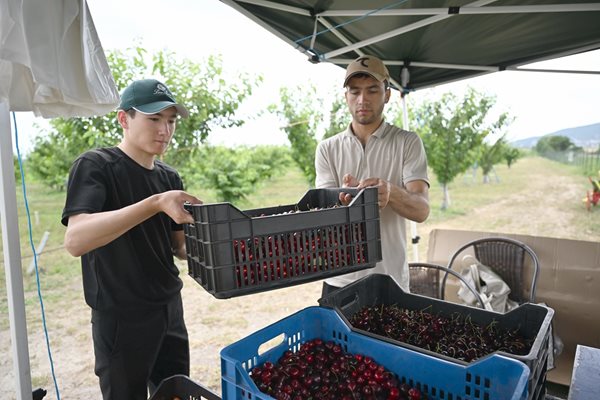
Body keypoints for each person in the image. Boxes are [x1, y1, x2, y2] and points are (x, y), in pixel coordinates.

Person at [61, 79, 203, 400]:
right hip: (122, 317)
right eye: (154, 119)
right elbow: (76, 240)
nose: (165, 130)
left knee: (175, 392)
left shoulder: (169, 178)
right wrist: (154, 204)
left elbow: (178, 248)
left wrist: (219, 241)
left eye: (171, 120)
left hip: (169, 308)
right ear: (124, 119)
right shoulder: (96, 166)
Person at [315, 55, 430, 295]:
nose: (362, 99)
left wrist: (391, 192)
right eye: (354, 91)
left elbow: (421, 210)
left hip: (390, 281)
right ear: (345, 96)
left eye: (372, 90)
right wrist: (343, 200)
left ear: (387, 94)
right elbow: (322, 217)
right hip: (339, 282)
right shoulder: (327, 148)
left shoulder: (407, 142)